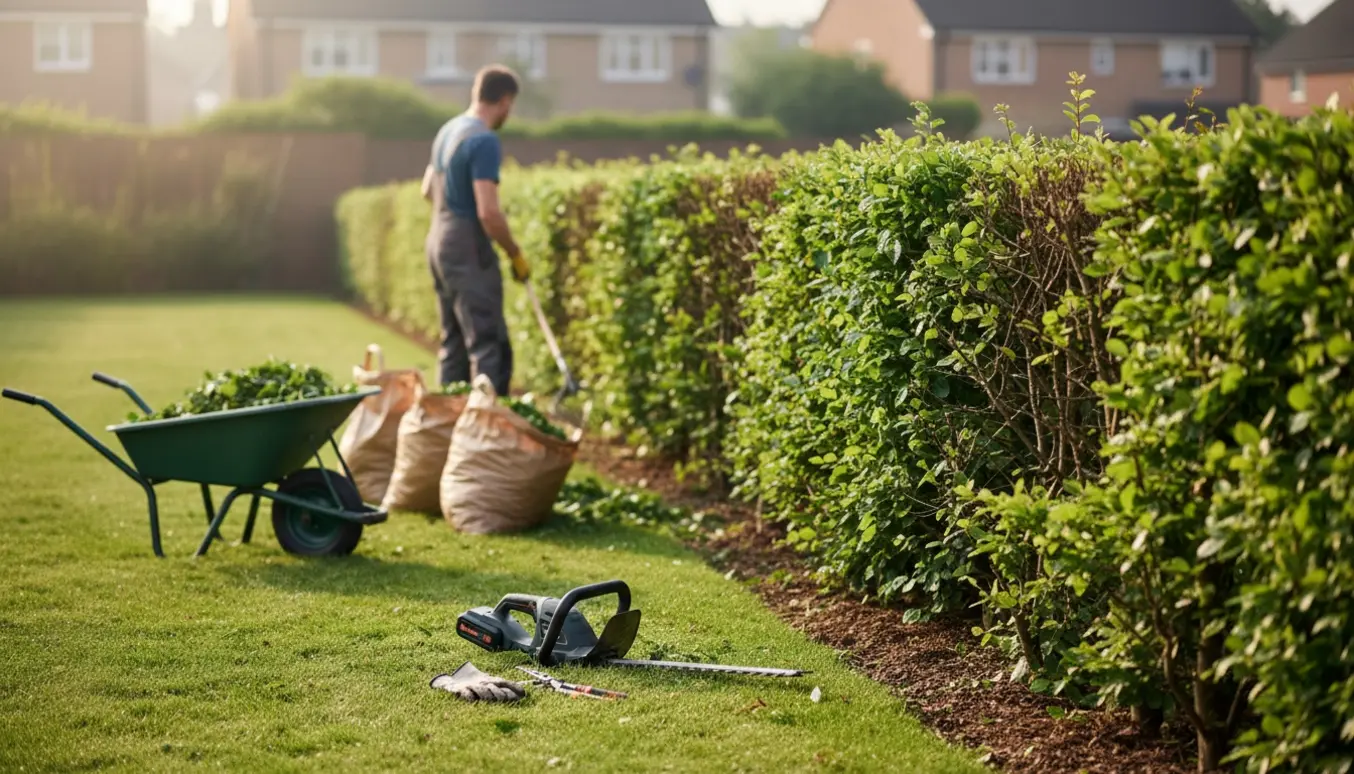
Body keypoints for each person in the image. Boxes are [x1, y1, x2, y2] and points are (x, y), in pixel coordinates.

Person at [421, 64, 531, 396]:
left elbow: (427, 190)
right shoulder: (483, 140)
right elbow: (488, 213)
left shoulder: (448, 130)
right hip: (467, 248)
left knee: (453, 343)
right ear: (506, 101)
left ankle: (451, 430)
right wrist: (515, 252)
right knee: (487, 343)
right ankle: (488, 436)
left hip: (438, 241)